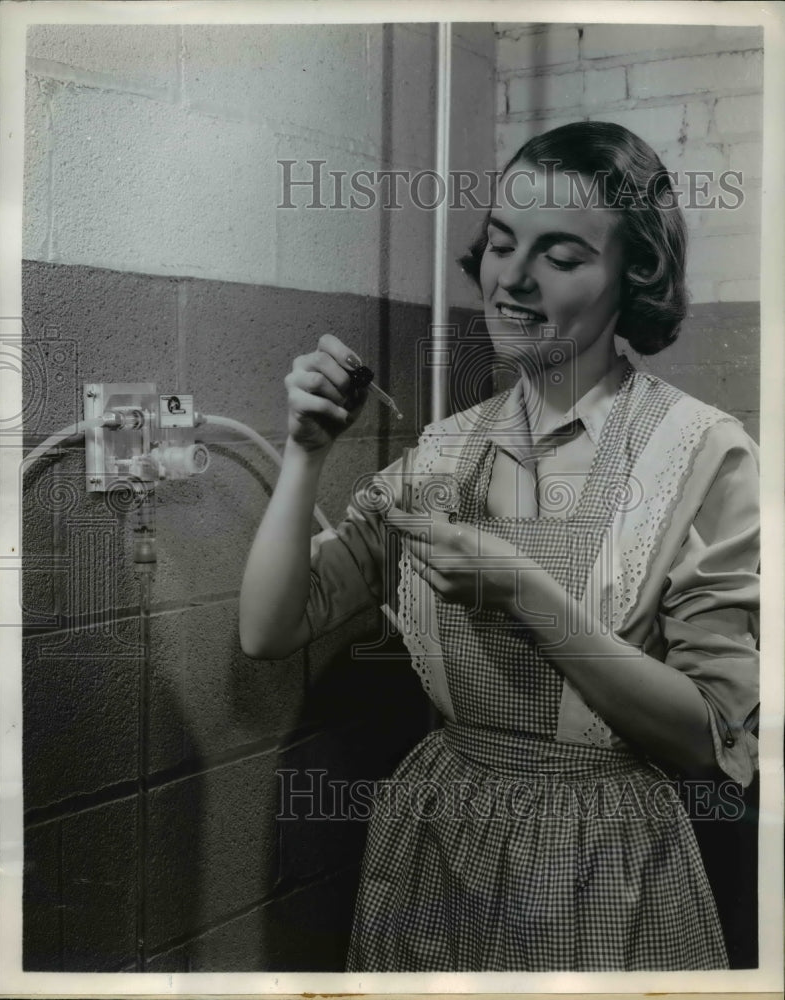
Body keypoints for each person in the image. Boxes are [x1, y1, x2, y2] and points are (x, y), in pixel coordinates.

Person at [239, 121, 759, 971]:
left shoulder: (700, 451)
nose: (509, 280)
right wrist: (305, 449)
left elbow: (711, 741)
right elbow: (268, 630)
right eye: (500, 243)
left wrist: (524, 594)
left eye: (559, 256)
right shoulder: (442, 451)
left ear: (633, 274)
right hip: (437, 839)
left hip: (607, 863)